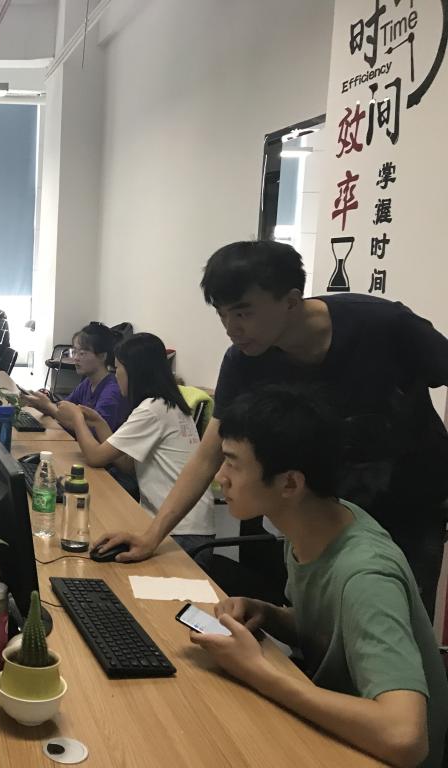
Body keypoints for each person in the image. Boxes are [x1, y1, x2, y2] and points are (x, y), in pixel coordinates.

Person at [97, 241, 448, 617]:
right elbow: (207, 455)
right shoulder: (246, 360)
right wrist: (151, 536)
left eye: (242, 313)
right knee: (320, 628)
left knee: (398, 623)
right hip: (328, 514)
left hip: (414, 503)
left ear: (292, 301)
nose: (231, 329)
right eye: (222, 314)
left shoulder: (384, 324)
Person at [188, 385, 447, 768]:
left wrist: (259, 672)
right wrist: (271, 614)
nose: (220, 476)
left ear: (290, 483)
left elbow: (405, 737)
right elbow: (339, 626)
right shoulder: (317, 523)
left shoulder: (366, 574)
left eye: (233, 463)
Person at [57, 333, 213, 558]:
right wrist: (99, 424)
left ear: (135, 371)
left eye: (118, 368)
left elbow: (95, 457)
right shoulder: (167, 404)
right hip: (184, 525)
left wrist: (77, 418)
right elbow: (128, 465)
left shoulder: (152, 409)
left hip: (182, 532)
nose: (116, 375)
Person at [21, 321, 130, 431]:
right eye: (75, 352)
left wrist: (49, 406)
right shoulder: (88, 383)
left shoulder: (111, 391)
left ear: (102, 356)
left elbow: (95, 433)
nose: (76, 358)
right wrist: (41, 403)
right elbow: (62, 408)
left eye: (82, 353)